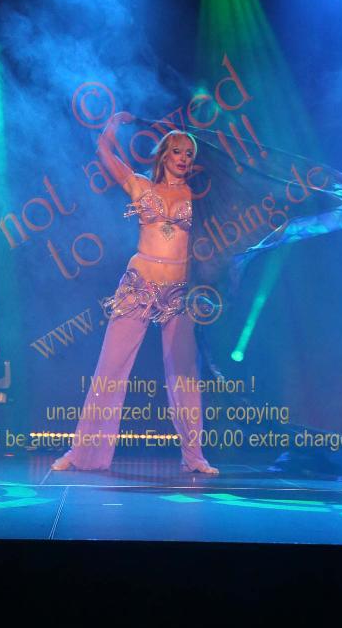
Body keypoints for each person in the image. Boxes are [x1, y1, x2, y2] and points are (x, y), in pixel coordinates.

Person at [52, 111, 220, 474]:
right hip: (139, 285)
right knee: (110, 368)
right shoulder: (141, 186)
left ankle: (194, 456)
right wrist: (112, 124)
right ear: (164, 154)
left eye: (189, 154)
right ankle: (82, 453)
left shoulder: (198, 196)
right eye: (177, 151)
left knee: (185, 374)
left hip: (178, 291)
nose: (183, 158)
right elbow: (105, 152)